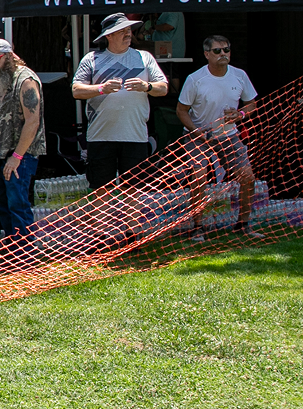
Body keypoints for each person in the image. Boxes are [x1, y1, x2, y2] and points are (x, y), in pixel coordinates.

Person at [176, 35, 260, 239]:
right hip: (198, 135)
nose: (223, 54)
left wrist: (240, 115)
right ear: (206, 54)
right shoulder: (195, 79)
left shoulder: (239, 75)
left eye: (226, 50)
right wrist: (196, 131)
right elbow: (181, 110)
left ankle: (243, 224)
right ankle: (198, 227)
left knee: (248, 177)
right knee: (198, 177)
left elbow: (252, 104)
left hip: (228, 134)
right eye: (217, 51)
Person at [74, 13, 168, 189]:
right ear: (109, 35)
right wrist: (101, 89)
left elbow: (163, 88)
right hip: (101, 136)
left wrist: (146, 86)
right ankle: (102, 219)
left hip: (135, 137)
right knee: (101, 191)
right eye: (122, 31)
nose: (128, 34)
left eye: (129, 30)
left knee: (134, 192)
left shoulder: (144, 57)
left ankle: (130, 219)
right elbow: (76, 90)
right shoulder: (92, 59)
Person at [0, 39, 45, 238]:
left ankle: (26, 255)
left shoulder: (25, 79)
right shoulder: (2, 78)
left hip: (19, 156)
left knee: (17, 204)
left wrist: (17, 157)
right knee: (2, 204)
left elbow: (32, 122)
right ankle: (13, 251)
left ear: (9, 56)